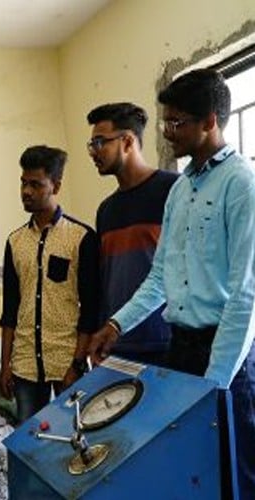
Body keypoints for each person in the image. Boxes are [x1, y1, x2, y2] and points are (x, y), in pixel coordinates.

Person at [88, 68, 255, 499]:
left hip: (227, 356)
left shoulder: (242, 185)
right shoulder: (180, 190)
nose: (168, 133)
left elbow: (245, 296)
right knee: (191, 465)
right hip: (180, 348)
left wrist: (214, 382)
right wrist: (116, 325)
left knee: (236, 470)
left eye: (178, 122)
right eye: (166, 122)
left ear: (211, 122)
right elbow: (160, 276)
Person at [0, 145, 99, 423]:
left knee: (73, 440)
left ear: (55, 185)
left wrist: (77, 365)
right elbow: (10, 309)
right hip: (25, 366)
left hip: (66, 362)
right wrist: (5, 365)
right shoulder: (15, 242)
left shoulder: (81, 238)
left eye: (35, 184)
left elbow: (90, 311)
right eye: (23, 183)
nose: (26, 191)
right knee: (30, 442)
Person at [87, 102, 178, 366]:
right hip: (117, 342)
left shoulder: (173, 191)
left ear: (127, 141)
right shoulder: (106, 210)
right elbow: (106, 281)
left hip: (165, 341)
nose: (93, 152)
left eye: (100, 142)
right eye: (91, 144)